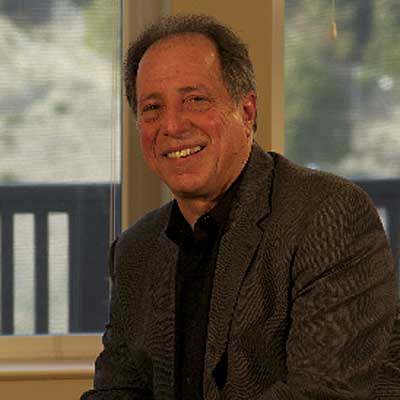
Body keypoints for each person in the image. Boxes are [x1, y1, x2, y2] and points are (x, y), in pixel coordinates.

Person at [81, 14, 398, 400]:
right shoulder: (136, 250)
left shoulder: (328, 214)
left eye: (195, 99)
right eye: (152, 108)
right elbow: (117, 390)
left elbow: (322, 392)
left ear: (246, 112)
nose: (172, 125)